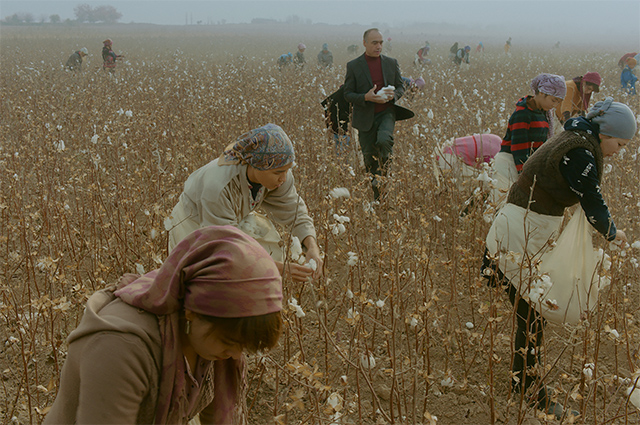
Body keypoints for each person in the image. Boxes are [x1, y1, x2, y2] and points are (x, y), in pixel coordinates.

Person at [483, 98, 636, 419]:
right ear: (605, 132)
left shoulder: (577, 139)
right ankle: (530, 391)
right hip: (520, 231)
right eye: (619, 143)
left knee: (531, 311)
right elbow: (591, 197)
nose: (619, 151)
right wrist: (611, 232)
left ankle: (522, 384)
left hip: (524, 228)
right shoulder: (579, 151)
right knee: (533, 314)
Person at [44, 225, 284, 424]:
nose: (235, 355)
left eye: (243, 347)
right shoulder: (120, 348)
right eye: (229, 342)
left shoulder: (215, 334)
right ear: (192, 311)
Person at [166, 123, 323, 283]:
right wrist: (276, 268)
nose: (283, 178)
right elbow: (224, 247)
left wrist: (312, 247)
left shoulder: (280, 173)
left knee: (263, 262)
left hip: (231, 219)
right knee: (201, 281)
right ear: (256, 166)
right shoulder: (218, 186)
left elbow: (295, 213)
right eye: (278, 173)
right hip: (192, 221)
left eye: (287, 170)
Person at [343, 28, 414, 201]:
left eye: (381, 42)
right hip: (365, 118)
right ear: (365, 43)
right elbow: (347, 93)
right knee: (369, 160)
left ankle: (386, 173)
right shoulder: (354, 66)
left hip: (386, 113)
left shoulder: (391, 63)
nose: (379, 46)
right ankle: (378, 196)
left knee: (384, 140)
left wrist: (394, 95)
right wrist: (365, 97)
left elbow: (400, 86)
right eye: (375, 42)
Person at [490, 74, 566, 205]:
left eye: (558, 102)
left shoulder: (543, 113)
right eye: (554, 100)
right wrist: (525, 175)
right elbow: (518, 146)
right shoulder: (523, 113)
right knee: (497, 203)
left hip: (526, 164)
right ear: (542, 93)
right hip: (509, 164)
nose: (555, 105)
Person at [321, 85, 351, 155]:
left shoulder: (343, 91)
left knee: (341, 152)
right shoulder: (348, 91)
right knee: (343, 152)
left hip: (338, 124)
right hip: (342, 126)